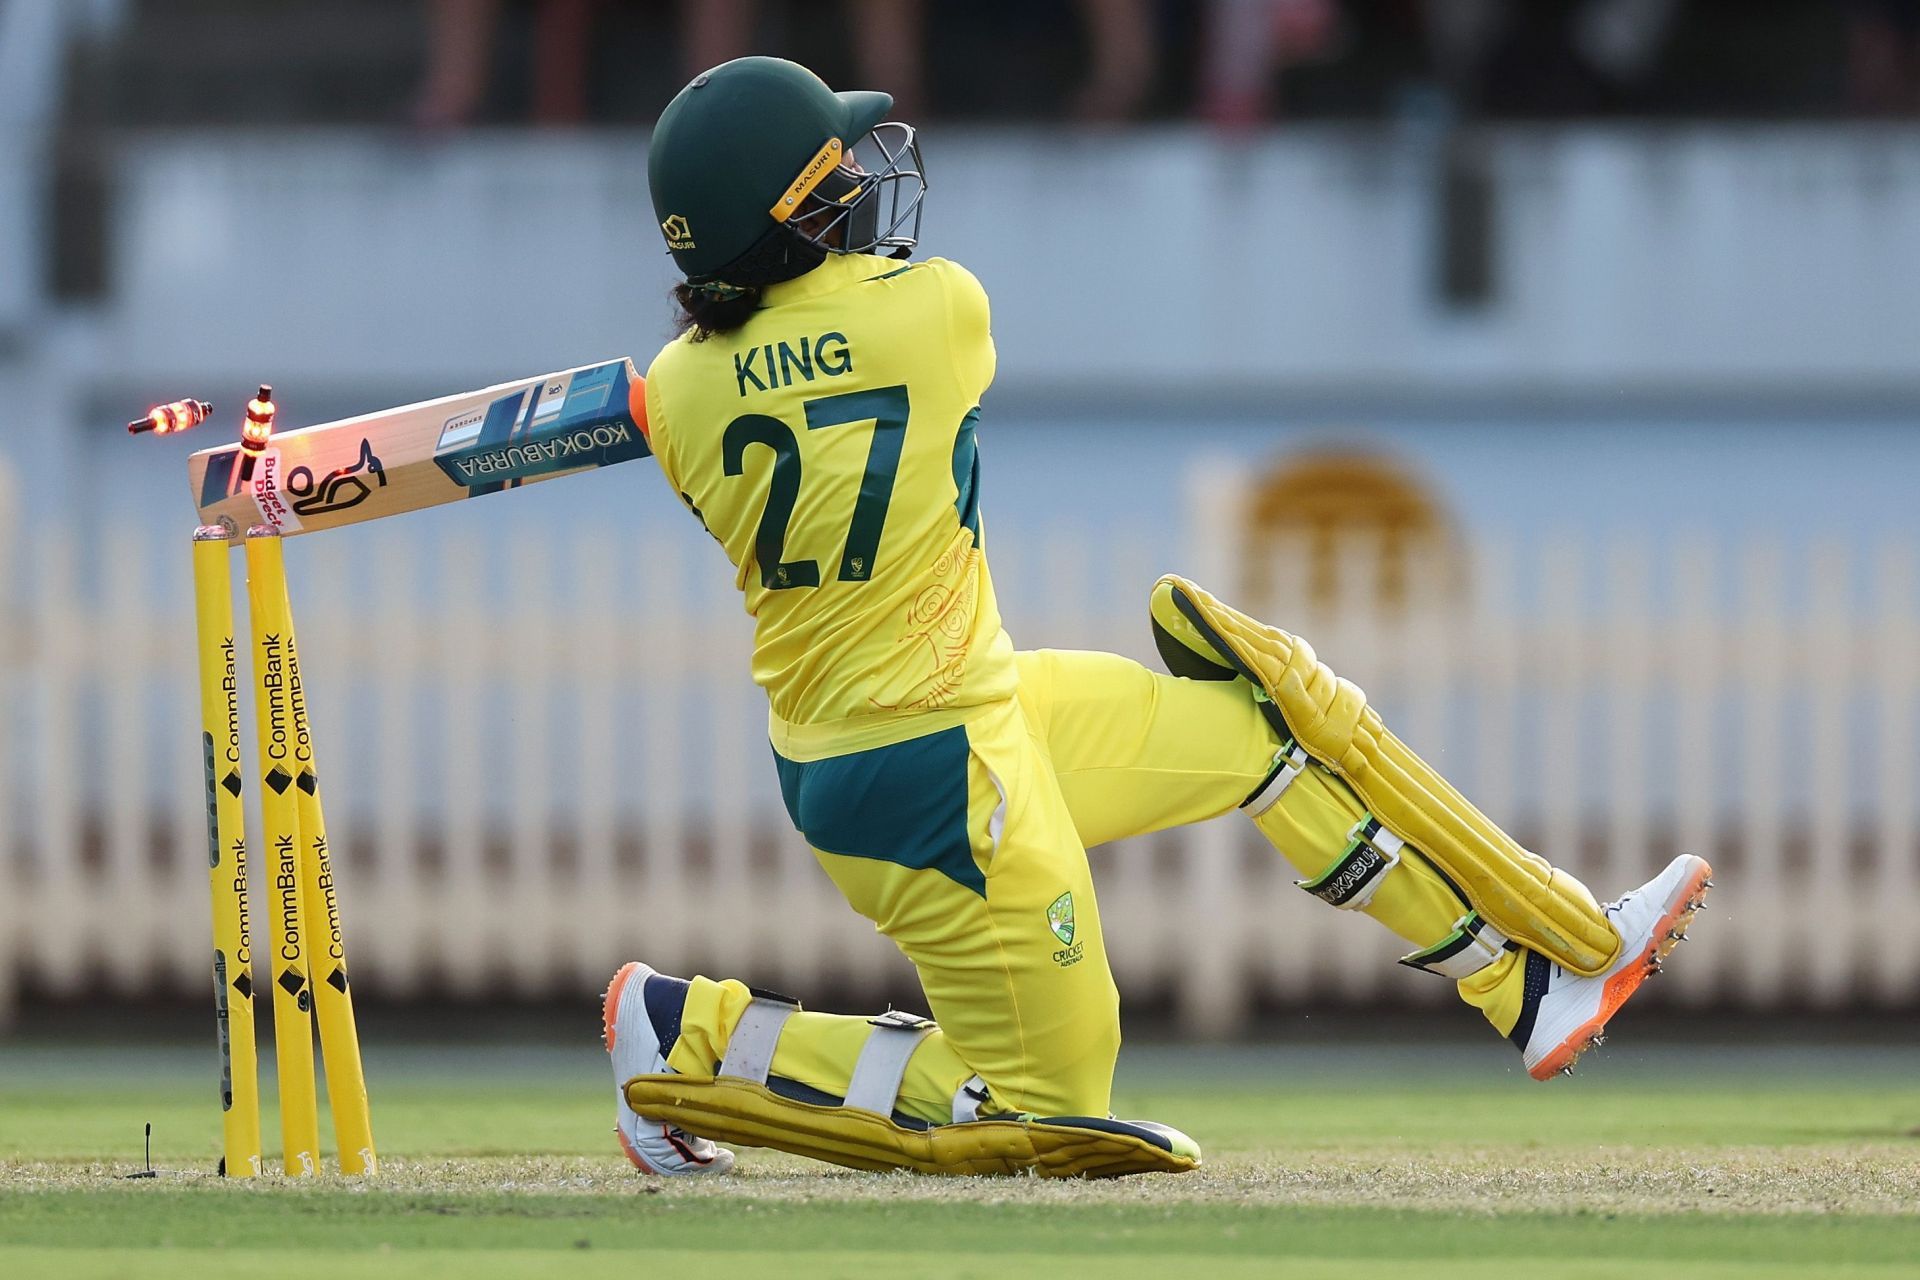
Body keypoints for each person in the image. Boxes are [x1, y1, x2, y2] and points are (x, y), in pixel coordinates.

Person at [601, 55, 1712, 1179]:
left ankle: (1525, 986)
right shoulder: (935, 310)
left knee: (1248, 736)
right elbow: (843, 342)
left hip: (928, 717)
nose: (859, 187)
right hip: (930, 768)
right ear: (786, 221)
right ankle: (685, 1029)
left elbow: (739, 379)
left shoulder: (683, 397)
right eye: (829, 180)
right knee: (1050, 1098)